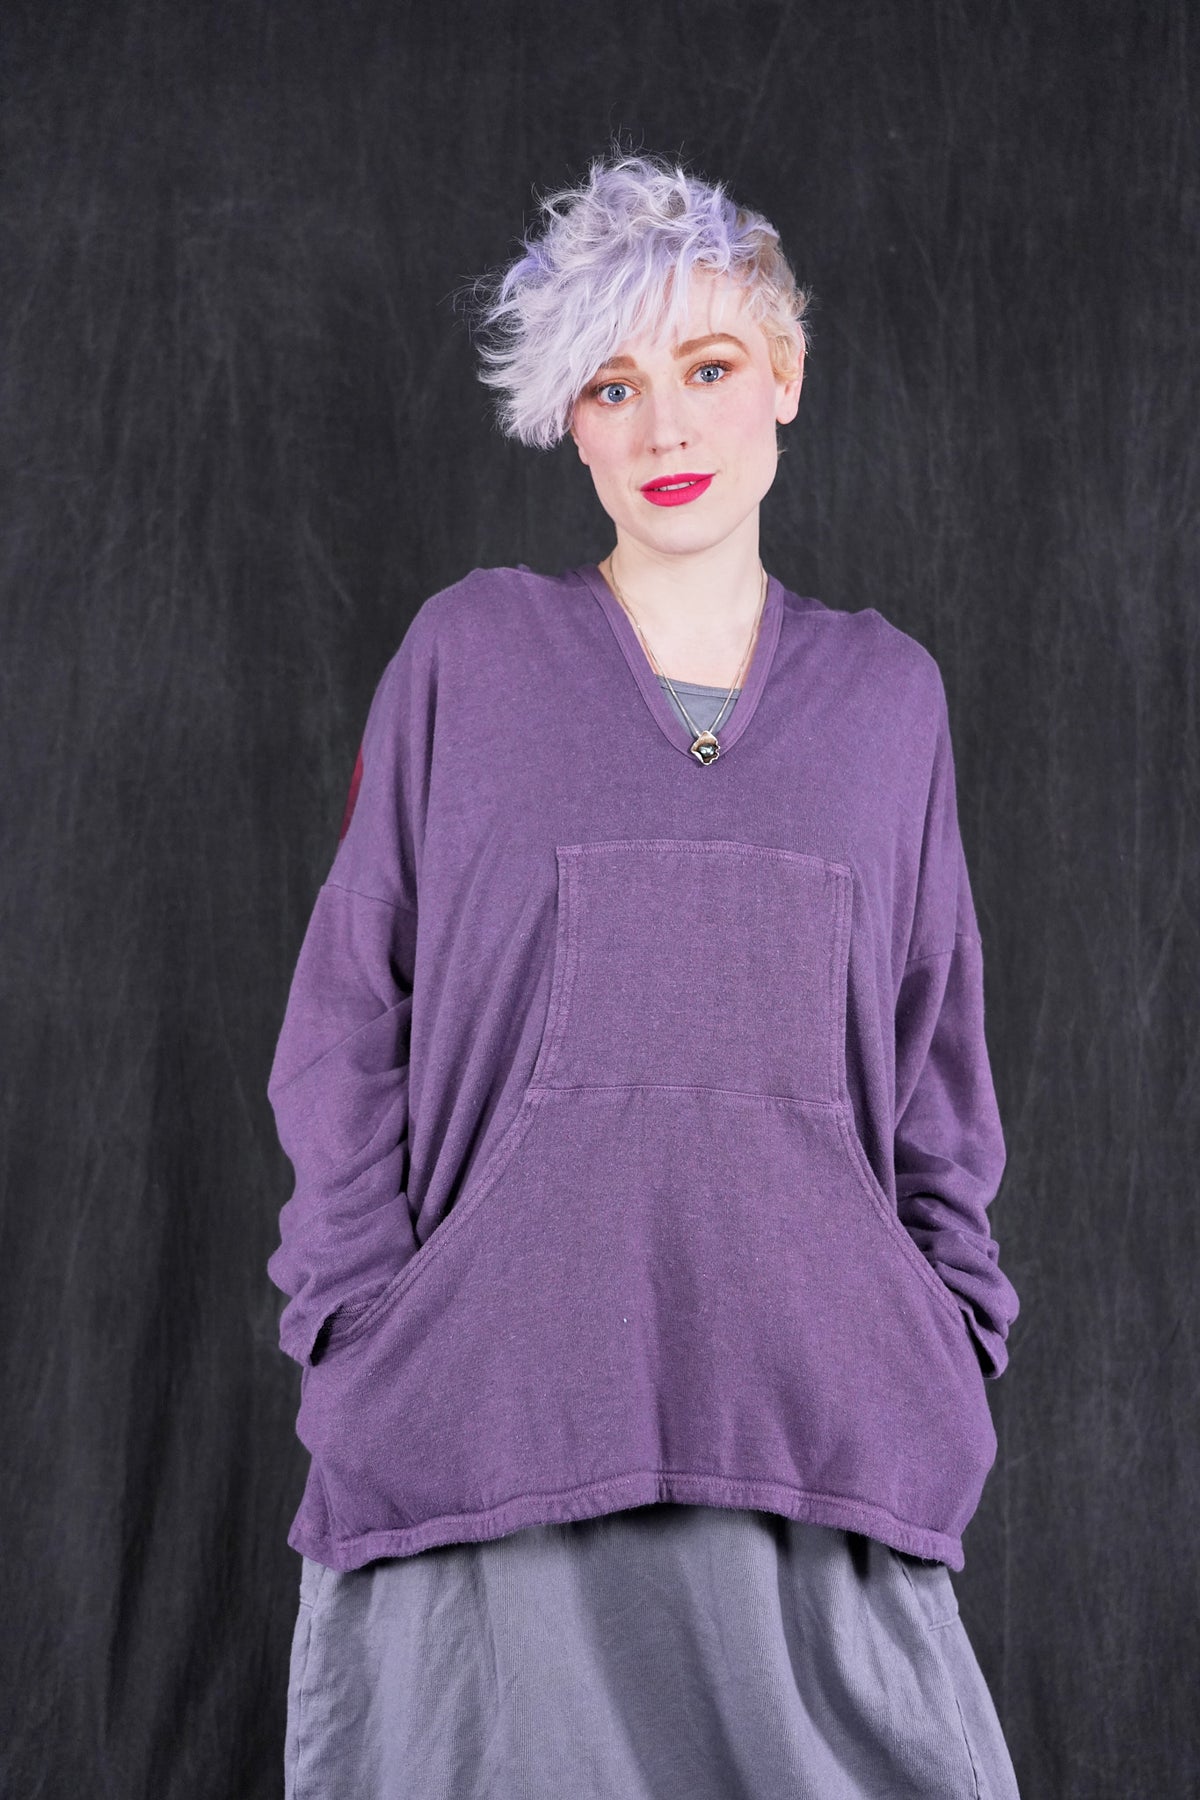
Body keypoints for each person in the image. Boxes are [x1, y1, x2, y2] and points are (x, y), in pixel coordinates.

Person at [266, 149, 1022, 1799]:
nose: (666, 425)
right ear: (572, 422)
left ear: (785, 375)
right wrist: (357, 1328)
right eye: (614, 385)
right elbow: (346, 1016)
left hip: (820, 1455)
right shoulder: (469, 656)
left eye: (708, 366)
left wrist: (949, 1336)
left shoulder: (890, 700)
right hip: (486, 1443)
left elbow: (939, 1068)